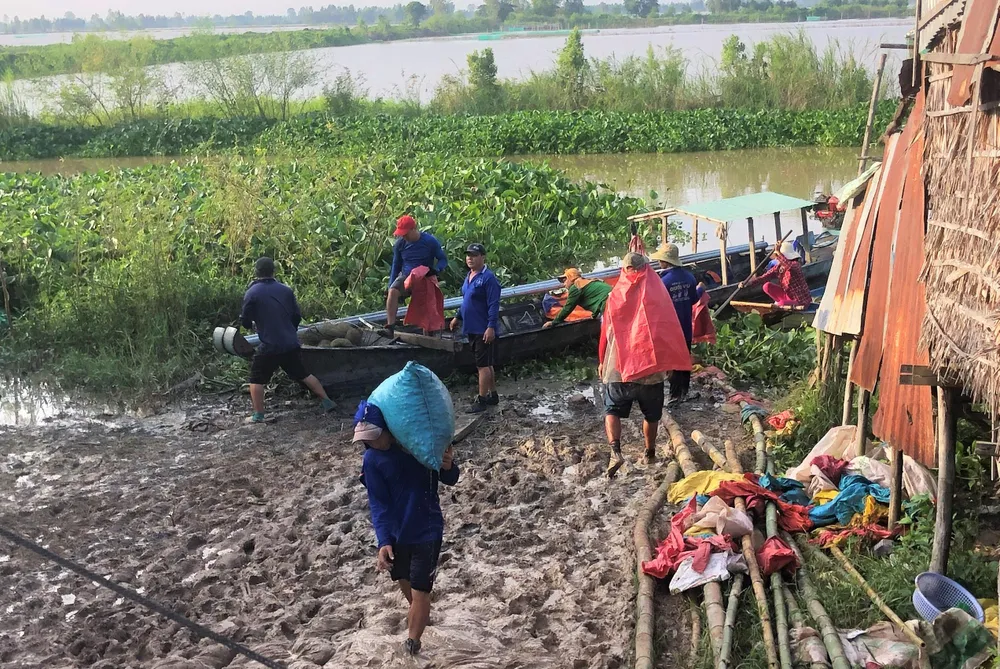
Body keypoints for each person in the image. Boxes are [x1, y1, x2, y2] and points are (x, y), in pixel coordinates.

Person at [355, 400, 460, 657]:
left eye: (375, 436)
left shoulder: (418, 449)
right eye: (365, 439)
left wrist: (448, 466)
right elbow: (378, 503)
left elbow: (450, 478)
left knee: (421, 589)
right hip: (397, 532)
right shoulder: (372, 460)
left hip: (427, 528)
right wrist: (383, 540)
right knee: (405, 581)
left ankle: (412, 644)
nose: (370, 443)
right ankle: (420, 616)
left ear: (390, 430)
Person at [240, 257, 336, 423]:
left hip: (270, 345)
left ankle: (258, 415)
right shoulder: (286, 290)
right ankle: (327, 401)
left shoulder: (252, 293)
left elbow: (245, 321)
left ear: (256, 272)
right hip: (290, 343)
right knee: (303, 373)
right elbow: (297, 317)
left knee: (256, 379)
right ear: (273, 271)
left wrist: (254, 324)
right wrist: (289, 332)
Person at [599, 253, 669, 479]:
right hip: (650, 368)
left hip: (619, 367)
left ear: (624, 269)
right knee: (651, 416)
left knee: (612, 410)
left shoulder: (614, 296)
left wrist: (602, 361)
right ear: (646, 269)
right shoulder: (657, 295)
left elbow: (606, 334)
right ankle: (649, 453)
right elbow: (666, 330)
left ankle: (615, 451)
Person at [450, 243, 502, 413]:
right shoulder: (469, 276)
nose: (470, 258)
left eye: (473, 255)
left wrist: (491, 327)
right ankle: (493, 395)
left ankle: (481, 399)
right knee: (486, 364)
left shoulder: (488, 278)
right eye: (468, 255)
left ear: (482, 257)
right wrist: (458, 316)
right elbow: (467, 300)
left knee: (482, 366)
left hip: (483, 328)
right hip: (471, 326)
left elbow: (494, 304)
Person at [651, 243, 699, 404]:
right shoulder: (689, 277)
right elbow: (694, 300)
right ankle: (683, 391)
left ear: (665, 262)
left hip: (669, 329)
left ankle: (674, 396)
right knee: (684, 359)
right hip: (685, 326)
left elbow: (655, 305)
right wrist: (700, 290)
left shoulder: (662, 281)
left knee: (672, 361)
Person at [385, 215, 448, 336]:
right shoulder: (400, 244)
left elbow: (443, 259)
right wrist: (390, 285)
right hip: (407, 277)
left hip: (425, 277)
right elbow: (396, 265)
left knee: (427, 305)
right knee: (392, 292)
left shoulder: (429, 241)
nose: (404, 236)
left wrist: (436, 270)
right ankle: (390, 327)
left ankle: (428, 333)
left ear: (414, 229)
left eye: (406, 233)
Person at [740, 241, 811, 308]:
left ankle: (782, 304)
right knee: (766, 286)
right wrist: (748, 282)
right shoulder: (779, 267)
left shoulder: (795, 265)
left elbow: (788, 266)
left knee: (781, 304)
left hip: (800, 300)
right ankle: (782, 303)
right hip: (788, 296)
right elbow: (764, 277)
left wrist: (778, 252)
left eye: (779, 255)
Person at [542, 267, 613, 328]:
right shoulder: (590, 281)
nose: (564, 284)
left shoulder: (576, 287)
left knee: (611, 332)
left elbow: (568, 307)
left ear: (571, 277)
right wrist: (594, 315)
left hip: (608, 306)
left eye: (565, 280)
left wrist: (554, 322)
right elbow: (597, 298)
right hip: (615, 300)